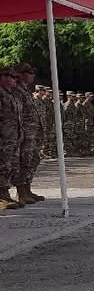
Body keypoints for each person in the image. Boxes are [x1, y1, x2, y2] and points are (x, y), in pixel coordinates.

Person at [12, 64, 45, 203]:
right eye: (29, 73)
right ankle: (21, 191)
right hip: (24, 132)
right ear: (20, 74)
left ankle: (27, 188)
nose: (32, 75)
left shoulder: (25, 90)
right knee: (23, 161)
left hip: (32, 133)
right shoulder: (16, 91)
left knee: (31, 160)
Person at [0, 67, 25, 209]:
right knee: (2, 166)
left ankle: (5, 194)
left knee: (9, 166)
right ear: (2, 77)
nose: (14, 79)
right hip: (3, 138)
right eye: (10, 76)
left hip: (13, 138)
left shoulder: (10, 94)